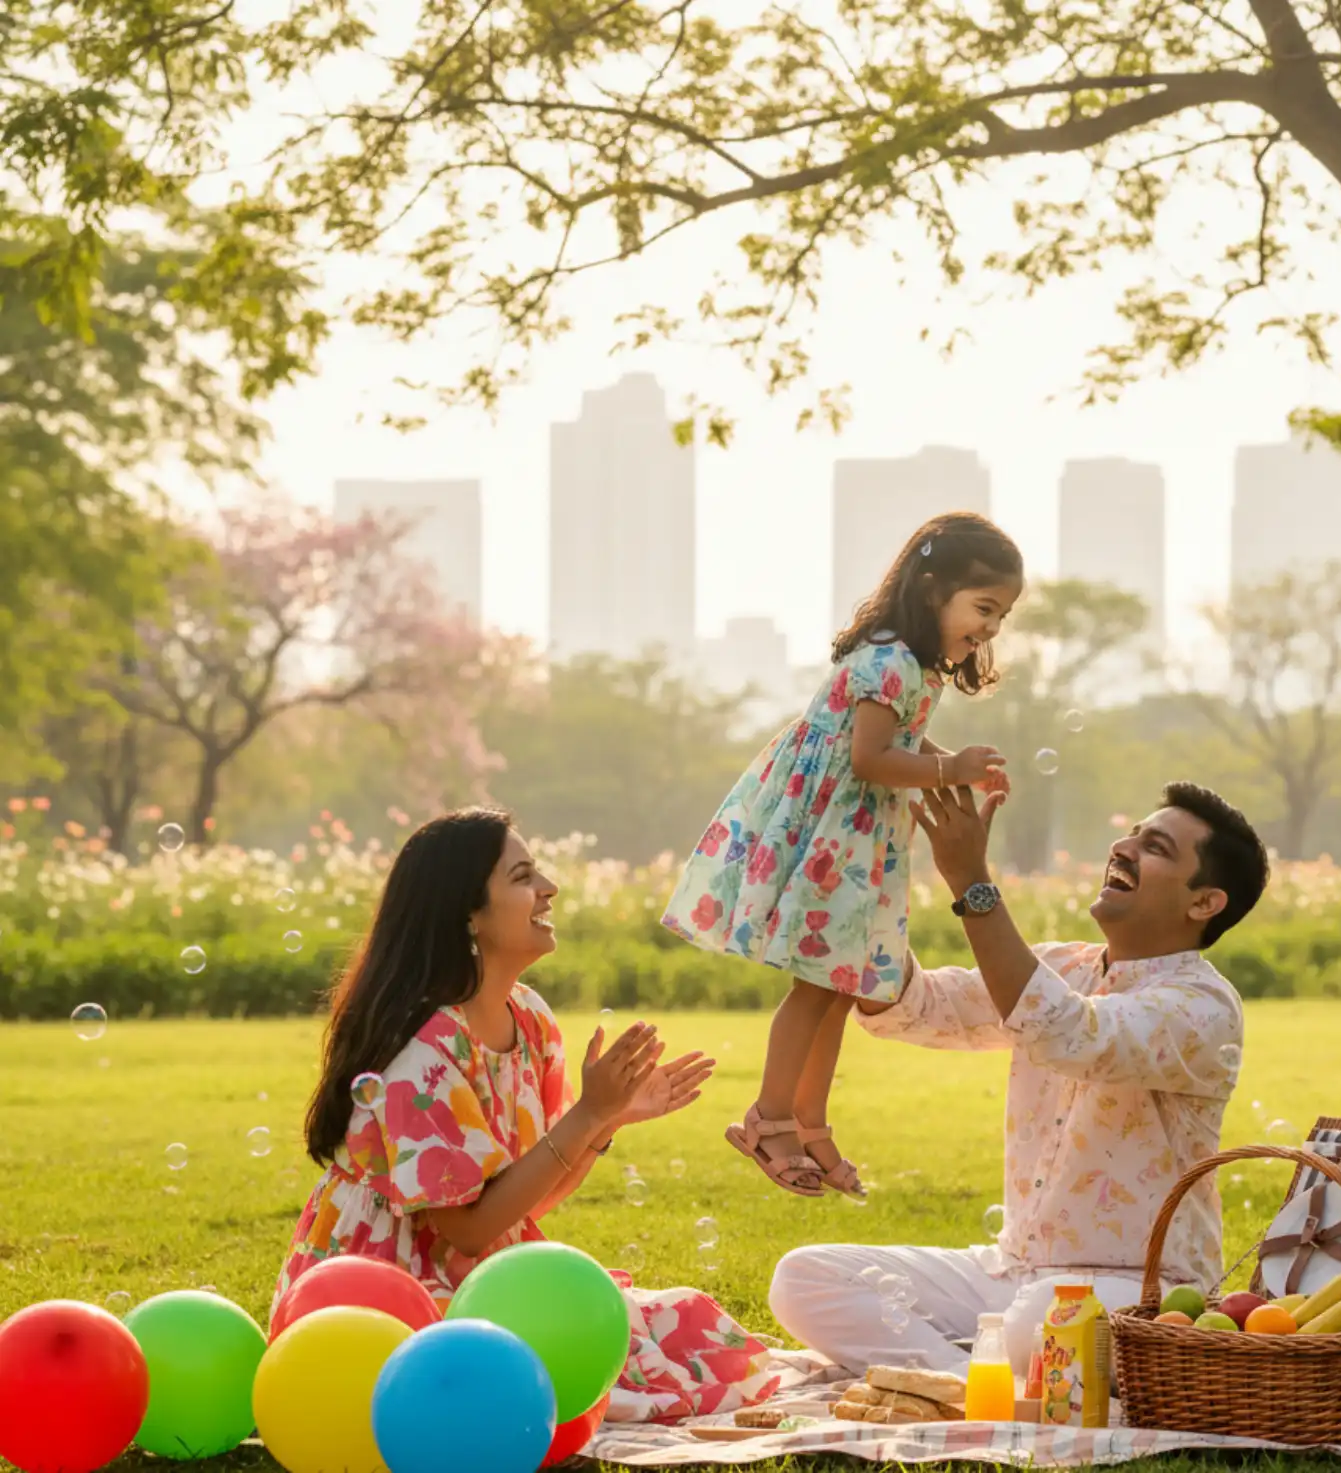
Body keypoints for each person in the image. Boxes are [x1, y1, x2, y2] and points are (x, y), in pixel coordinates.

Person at [273, 807, 778, 1422]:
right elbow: (467, 1228)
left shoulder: (530, 1019)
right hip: (386, 1287)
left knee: (693, 1324)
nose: (548, 889)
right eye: (521, 876)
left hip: (488, 1267)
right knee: (511, 1380)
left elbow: (523, 1202)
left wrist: (603, 1120)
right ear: (467, 912)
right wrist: (585, 1113)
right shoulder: (422, 1054)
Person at [768, 780, 1270, 1377]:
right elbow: (925, 1006)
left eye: (1155, 847)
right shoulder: (1064, 967)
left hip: (1139, 1293)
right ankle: (965, 1390)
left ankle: (970, 1375)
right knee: (804, 1277)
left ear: (1204, 903)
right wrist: (862, 909)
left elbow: (1068, 1033)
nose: (1124, 846)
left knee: (1040, 1322)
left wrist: (972, 884)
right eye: (1133, 832)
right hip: (1010, 1273)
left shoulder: (1204, 1006)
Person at [661, 512, 1024, 1200]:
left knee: (839, 982)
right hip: (832, 841)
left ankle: (809, 1120)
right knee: (817, 983)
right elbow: (870, 757)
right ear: (930, 589)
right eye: (984, 607)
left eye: (1001, 614)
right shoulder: (887, 660)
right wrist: (951, 771)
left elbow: (902, 748)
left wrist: (960, 767)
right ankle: (769, 1118)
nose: (991, 627)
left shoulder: (916, 668)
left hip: (858, 841)